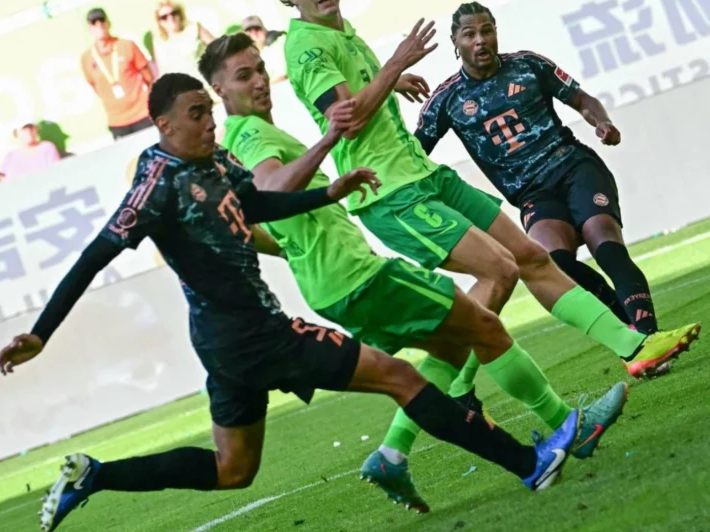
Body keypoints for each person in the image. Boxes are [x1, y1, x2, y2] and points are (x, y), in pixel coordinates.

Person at [0, 73, 584, 532]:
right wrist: (42, 334)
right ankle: (528, 463)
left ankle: (95, 476)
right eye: (196, 115)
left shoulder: (217, 162)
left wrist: (328, 191)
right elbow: (96, 253)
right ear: (163, 125)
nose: (209, 124)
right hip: (254, 337)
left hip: (229, 345)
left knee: (233, 470)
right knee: (401, 377)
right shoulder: (156, 183)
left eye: (208, 112)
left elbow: (255, 205)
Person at [202, 33, 628, 513]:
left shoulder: (244, 142)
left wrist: (297, 244)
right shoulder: (253, 136)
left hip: (331, 284)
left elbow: (258, 219)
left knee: (435, 353)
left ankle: (392, 454)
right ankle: (568, 427)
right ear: (219, 90)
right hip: (358, 276)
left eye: (259, 69)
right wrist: (329, 140)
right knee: (483, 321)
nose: (259, 81)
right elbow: (275, 188)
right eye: (244, 75)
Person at [271, 0, 696, 404]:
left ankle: (636, 345)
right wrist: (395, 64)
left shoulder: (343, 33)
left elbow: (353, 94)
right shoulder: (307, 47)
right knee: (498, 272)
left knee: (530, 258)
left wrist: (391, 80)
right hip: (390, 194)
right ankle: (432, 409)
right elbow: (346, 120)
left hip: (425, 175)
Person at [417, 1, 683, 346]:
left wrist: (602, 122)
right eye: (470, 34)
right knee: (553, 264)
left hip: (573, 166)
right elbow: (414, 152)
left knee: (604, 240)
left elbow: (582, 99)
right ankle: (629, 331)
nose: (480, 40)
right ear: (456, 41)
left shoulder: (528, 65)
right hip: (533, 194)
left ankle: (650, 335)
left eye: (487, 31)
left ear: (496, 32)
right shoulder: (446, 100)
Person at [80, 7, 155, 139]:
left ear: (108, 23)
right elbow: (94, 86)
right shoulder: (86, 58)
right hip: (117, 121)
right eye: (94, 23)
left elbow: (148, 76)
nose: (99, 25)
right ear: (89, 29)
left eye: (102, 20)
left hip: (142, 113)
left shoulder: (127, 45)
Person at [149, 0, 214, 79]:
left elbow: (218, 47)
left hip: (206, 82)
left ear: (180, 13)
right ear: (159, 22)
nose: (170, 18)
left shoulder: (194, 29)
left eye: (174, 13)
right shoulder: (159, 43)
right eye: (164, 17)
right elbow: (162, 72)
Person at [241, 15, 287, 83]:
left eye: (257, 29)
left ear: (264, 28)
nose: (254, 34)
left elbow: (283, 75)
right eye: (250, 31)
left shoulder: (280, 42)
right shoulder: (256, 52)